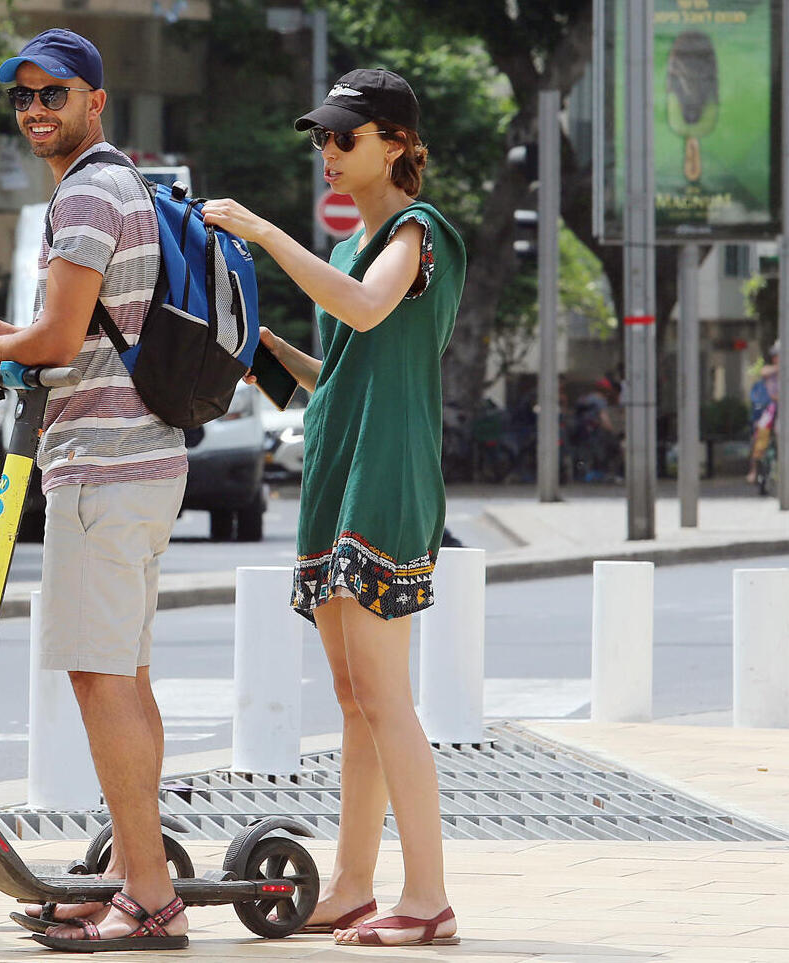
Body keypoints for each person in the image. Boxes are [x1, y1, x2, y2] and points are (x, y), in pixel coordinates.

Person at [0, 28, 190, 951]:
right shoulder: (126, 185)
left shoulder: (84, 193)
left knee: (99, 678)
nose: (36, 109)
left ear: (94, 101)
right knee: (125, 678)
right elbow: (79, 328)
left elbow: (57, 340)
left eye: (54, 93)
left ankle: (149, 898)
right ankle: (131, 873)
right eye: (23, 96)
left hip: (103, 472)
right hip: (143, 463)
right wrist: (17, 330)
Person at [203, 67, 465, 948]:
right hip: (342, 471)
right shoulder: (360, 248)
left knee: (384, 698)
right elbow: (342, 375)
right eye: (321, 137)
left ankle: (426, 896)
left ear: (397, 144)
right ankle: (354, 883)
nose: (327, 151)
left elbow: (361, 305)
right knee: (354, 697)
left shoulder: (415, 234)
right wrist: (264, 350)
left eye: (344, 137)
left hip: (384, 478)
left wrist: (263, 232)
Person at [746, 345, 781, 484]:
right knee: (760, 436)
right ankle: (754, 470)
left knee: (782, 433)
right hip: (769, 409)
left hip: (783, 411)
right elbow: (764, 371)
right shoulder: (770, 371)